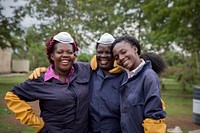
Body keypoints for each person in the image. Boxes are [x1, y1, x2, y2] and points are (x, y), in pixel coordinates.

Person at [5, 32, 92, 133]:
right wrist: (37, 124)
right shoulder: (41, 79)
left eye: (69, 52)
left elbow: (101, 60)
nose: (65, 55)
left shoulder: (84, 70)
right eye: (60, 52)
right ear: (52, 56)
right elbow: (11, 96)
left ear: (74, 55)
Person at [111, 35, 167, 133]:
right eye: (116, 57)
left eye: (123, 52)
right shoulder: (125, 76)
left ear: (135, 49)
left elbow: (154, 115)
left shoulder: (149, 77)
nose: (121, 58)